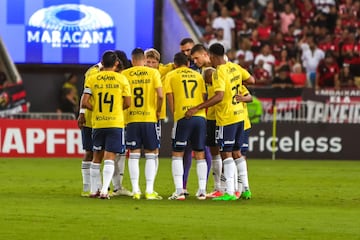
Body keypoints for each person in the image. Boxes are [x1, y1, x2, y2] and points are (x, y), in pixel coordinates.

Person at [185, 43, 255, 201]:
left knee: (226, 153)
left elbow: (219, 96)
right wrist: (238, 90)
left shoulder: (219, 72)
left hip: (226, 117)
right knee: (237, 153)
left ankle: (229, 192)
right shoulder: (235, 67)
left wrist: (197, 107)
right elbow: (252, 79)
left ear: (212, 56)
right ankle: (245, 189)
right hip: (239, 116)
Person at [81, 50, 131, 199]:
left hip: (98, 122)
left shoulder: (93, 78)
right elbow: (128, 102)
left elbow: (84, 102)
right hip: (115, 122)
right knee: (110, 156)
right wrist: (115, 109)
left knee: (96, 156)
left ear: (102, 62)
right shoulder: (121, 79)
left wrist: (96, 109)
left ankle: (93, 190)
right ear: (116, 63)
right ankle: (104, 191)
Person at [165, 52, 208, 200]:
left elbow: (170, 98)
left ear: (175, 64)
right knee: (200, 153)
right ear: (188, 63)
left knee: (178, 153)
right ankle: (202, 191)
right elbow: (203, 97)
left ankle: (179, 191)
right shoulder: (197, 75)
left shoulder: (171, 75)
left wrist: (176, 114)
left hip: (183, 117)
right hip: (200, 117)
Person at [122, 48, 163, 200]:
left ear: (132, 61)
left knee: (133, 155)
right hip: (149, 118)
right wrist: (158, 111)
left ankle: (136, 190)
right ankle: (149, 191)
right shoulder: (154, 73)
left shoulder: (125, 74)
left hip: (132, 119)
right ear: (144, 60)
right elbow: (160, 95)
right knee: (151, 154)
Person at [77, 62, 102, 197]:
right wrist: (81, 113)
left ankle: (96, 186)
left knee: (98, 153)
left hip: (100, 119)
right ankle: (87, 186)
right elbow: (85, 95)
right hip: (91, 119)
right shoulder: (93, 73)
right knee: (90, 152)